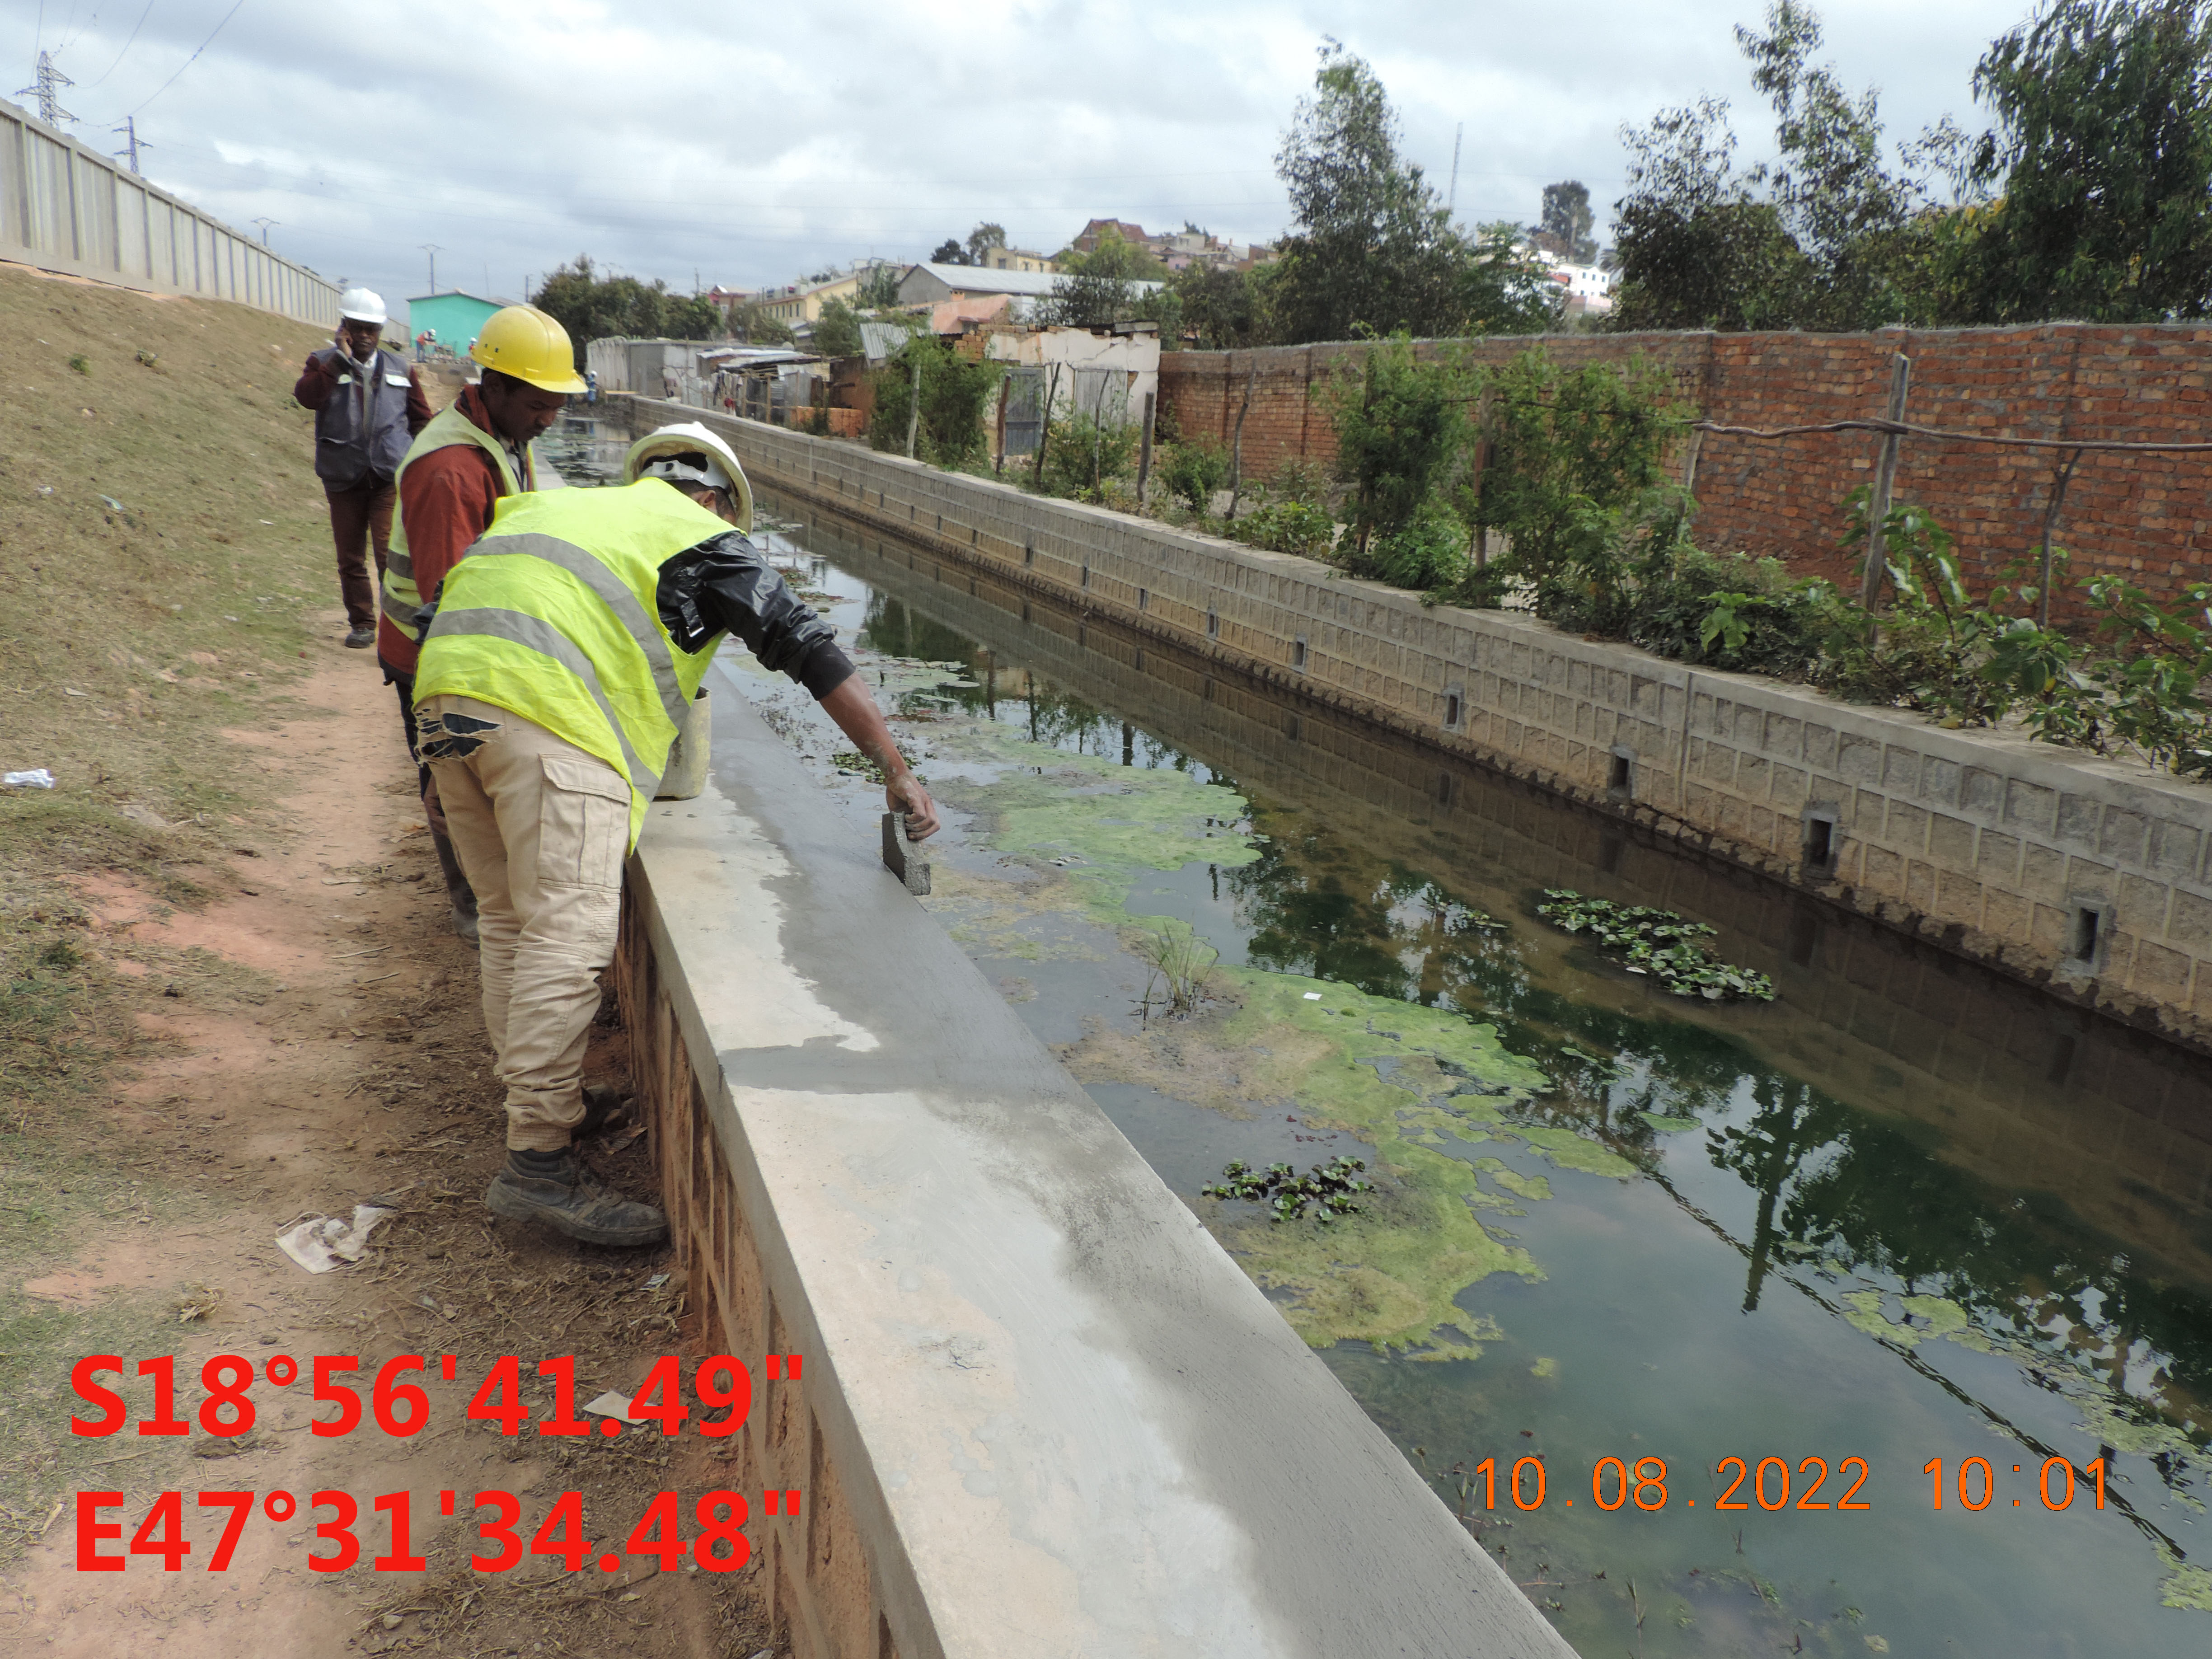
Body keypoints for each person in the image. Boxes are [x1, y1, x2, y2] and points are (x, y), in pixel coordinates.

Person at [409, 423, 937, 1244]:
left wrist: (434, 759)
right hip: (548, 718)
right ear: (716, 497)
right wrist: (896, 768)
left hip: (447, 702)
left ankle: (544, 1109)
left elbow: (447, 611)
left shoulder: (551, 511)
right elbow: (812, 653)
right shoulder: (705, 539)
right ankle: (537, 1168)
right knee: (567, 932)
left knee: (511, 921)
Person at [380, 305, 583, 943]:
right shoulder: (450, 473)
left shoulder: (503, 438)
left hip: (460, 642)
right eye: (540, 403)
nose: (550, 417)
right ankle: (475, 910)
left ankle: (487, 901)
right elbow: (451, 603)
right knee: (454, 781)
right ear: (494, 387)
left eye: (558, 404)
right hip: (433, 653)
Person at [291, 288, 431, 649]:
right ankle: (363, 624)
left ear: (381, 331)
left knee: (388, 555)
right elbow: (307, 397)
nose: (366, 336)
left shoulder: (402, 368)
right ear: (344, 328)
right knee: (350, 557)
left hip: (387, 477)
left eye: (373, 329)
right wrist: (339, 358)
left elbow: (422, 420)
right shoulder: (322, 362)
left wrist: (419, 461)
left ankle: (396, 629)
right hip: (343, 476)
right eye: (358, 328)